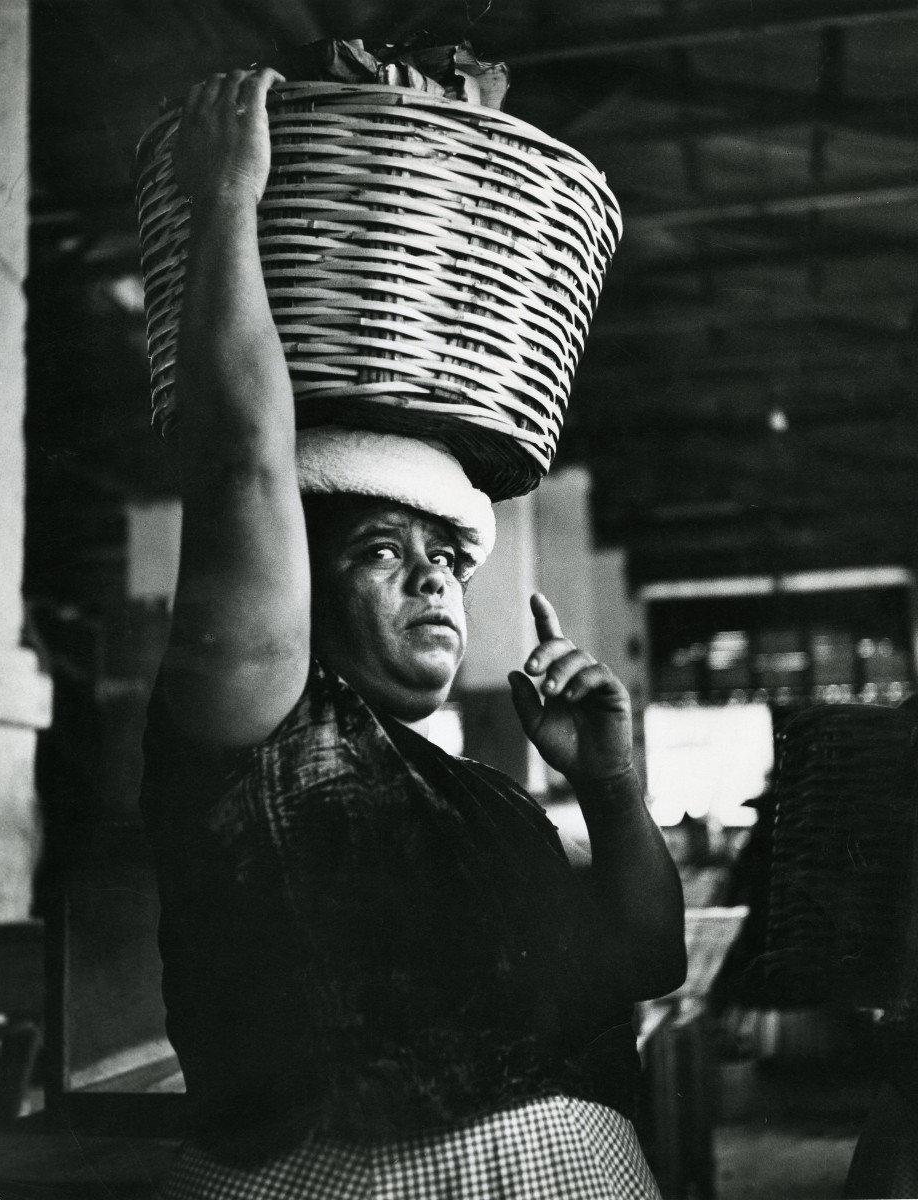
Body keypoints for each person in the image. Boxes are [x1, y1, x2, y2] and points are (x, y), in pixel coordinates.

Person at [140, 66, 686, 1199]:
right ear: (300, 580)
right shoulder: (262, 735)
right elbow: (242, 470)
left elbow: (646, 959)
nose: (436, 584)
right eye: (383, 552)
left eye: (448, 561)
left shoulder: (481, 798)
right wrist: (230, 208)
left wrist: (612, 786)